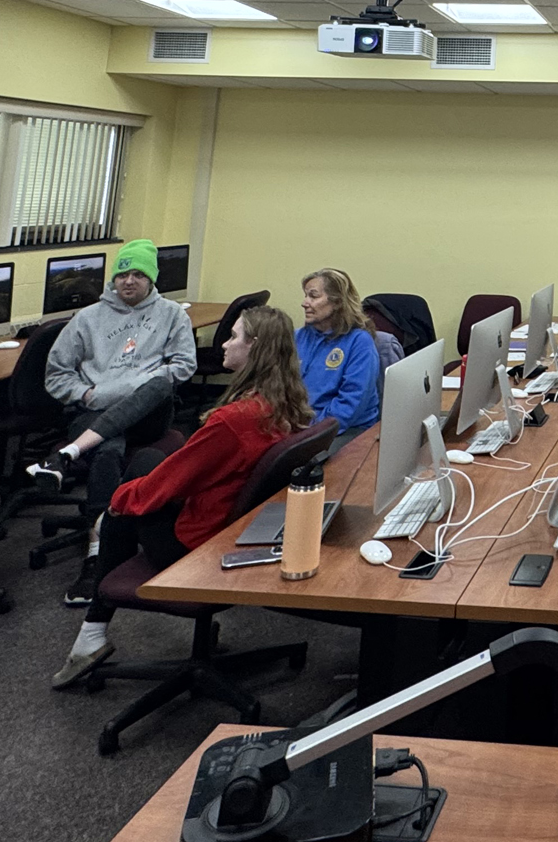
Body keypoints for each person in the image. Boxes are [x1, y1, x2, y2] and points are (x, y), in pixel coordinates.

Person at [52, 306, 319, 687]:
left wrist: (115, 505)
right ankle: (90, 633)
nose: (224, 343)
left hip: (195, 541)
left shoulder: (232, 421)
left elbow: (165, 486)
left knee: (123, 507)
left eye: (234, 336)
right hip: (236, 529)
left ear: (254, 346)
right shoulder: (283, 404)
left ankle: (91, 634)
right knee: (147, 460)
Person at [35, 239, 198, 606]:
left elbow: (183, 366)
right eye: (122, 274)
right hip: (94, 409)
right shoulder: (87, 318)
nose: (129, 281)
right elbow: (57, 375)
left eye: (138, 274)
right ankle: (97, 556)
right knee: (107, 450)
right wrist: (87, 395)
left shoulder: (172, 314)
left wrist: (128, 389)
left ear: (151, 279)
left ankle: (66, 455)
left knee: (157, 384)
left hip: (150, 414)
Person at [295, 268, 381, 452]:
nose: (304, 303)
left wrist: (310, 428)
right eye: (305, 296)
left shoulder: (359, 342)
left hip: (346, 429)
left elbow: (350, 405)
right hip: (299, 426)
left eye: (313, 296)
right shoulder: (298, 337)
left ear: (337, 302)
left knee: (298, 461)